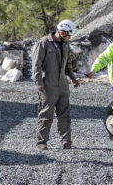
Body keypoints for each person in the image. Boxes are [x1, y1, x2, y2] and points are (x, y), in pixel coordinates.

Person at [31, 19, 80, 150]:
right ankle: (42, 142)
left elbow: (67, 66)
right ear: (62, 32)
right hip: (48, 85)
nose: (69, 37)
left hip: (63, 86)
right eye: (69, 35)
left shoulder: (66, 45)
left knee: (65, 115)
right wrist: (38, 82)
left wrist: (73, 79)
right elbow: (36, 64)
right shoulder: (44, 43)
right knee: (46, 114)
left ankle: (66, 142)